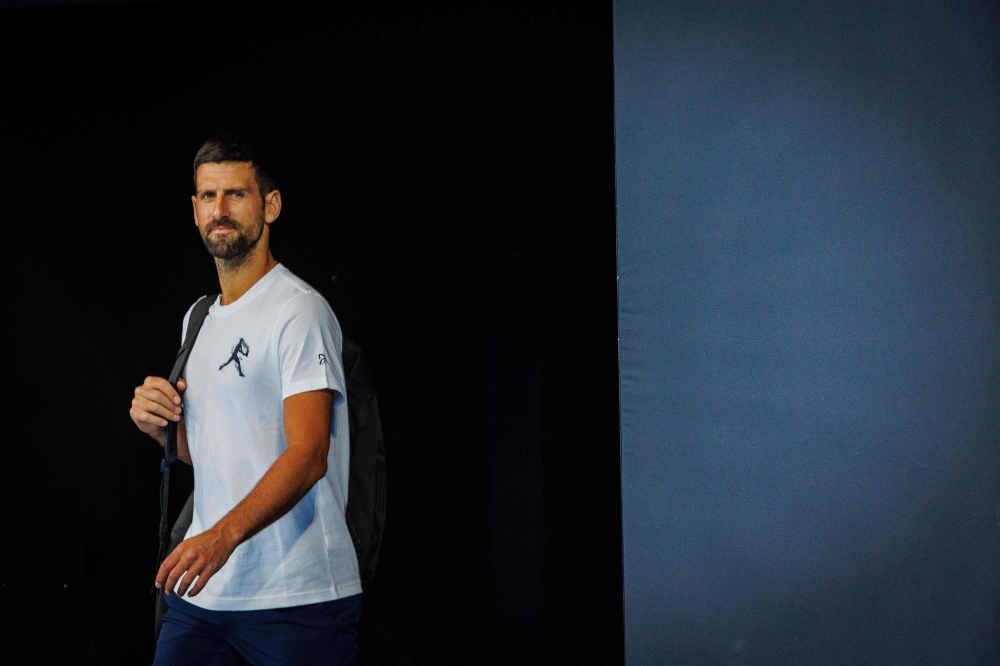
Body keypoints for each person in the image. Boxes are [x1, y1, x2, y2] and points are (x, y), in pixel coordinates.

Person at [130, 133, 362, 665]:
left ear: (270, 205)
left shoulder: (299, 310)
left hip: (298, 597)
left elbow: (309, 454)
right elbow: (208, 451)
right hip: (206, 593)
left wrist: (220, 537)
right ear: (194, 211)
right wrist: (160, 428)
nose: (220, 210)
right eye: (208, 197)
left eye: (235, 194)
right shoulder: (197, 318)